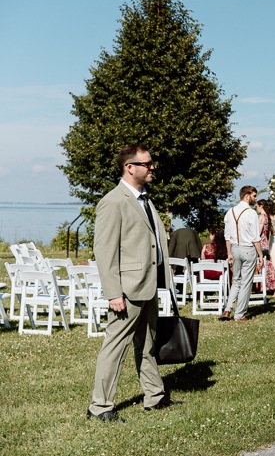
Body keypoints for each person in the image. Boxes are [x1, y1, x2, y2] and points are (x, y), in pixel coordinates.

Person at [87, 144, 177, 422]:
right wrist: (114, 292)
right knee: (115, 346)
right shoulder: (113, 202)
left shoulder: (145, 200)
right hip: (127, 289)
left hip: (149, 285)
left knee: (147, 343)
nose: (152, 168)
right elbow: (104, 252)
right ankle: (99, 406)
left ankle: (155, 395)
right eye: (147, 164)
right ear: (130, 167)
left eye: (151, 163)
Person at [219, 186, 265, 322]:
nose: (255, 199)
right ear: (247, 196)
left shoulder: (230, 212)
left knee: (236, 281)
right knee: (246, 282)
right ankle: (239, 314)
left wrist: (229, 253)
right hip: (248, 249)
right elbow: (255, 237)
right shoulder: (251, 213)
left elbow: (227, 236)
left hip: (234, 248)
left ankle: (227, 310)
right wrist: (260, 255)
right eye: (254, 196)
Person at [256, 199, 275, 296]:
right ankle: (267, 286)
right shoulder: (267, 217)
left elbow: (258, 232)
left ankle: (274, 286)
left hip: (261, 243)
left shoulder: (262, 217)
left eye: (257, 206)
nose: (257, 209)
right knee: (267, 265)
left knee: (264, 266)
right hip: (265, 242)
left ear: (261, 206)